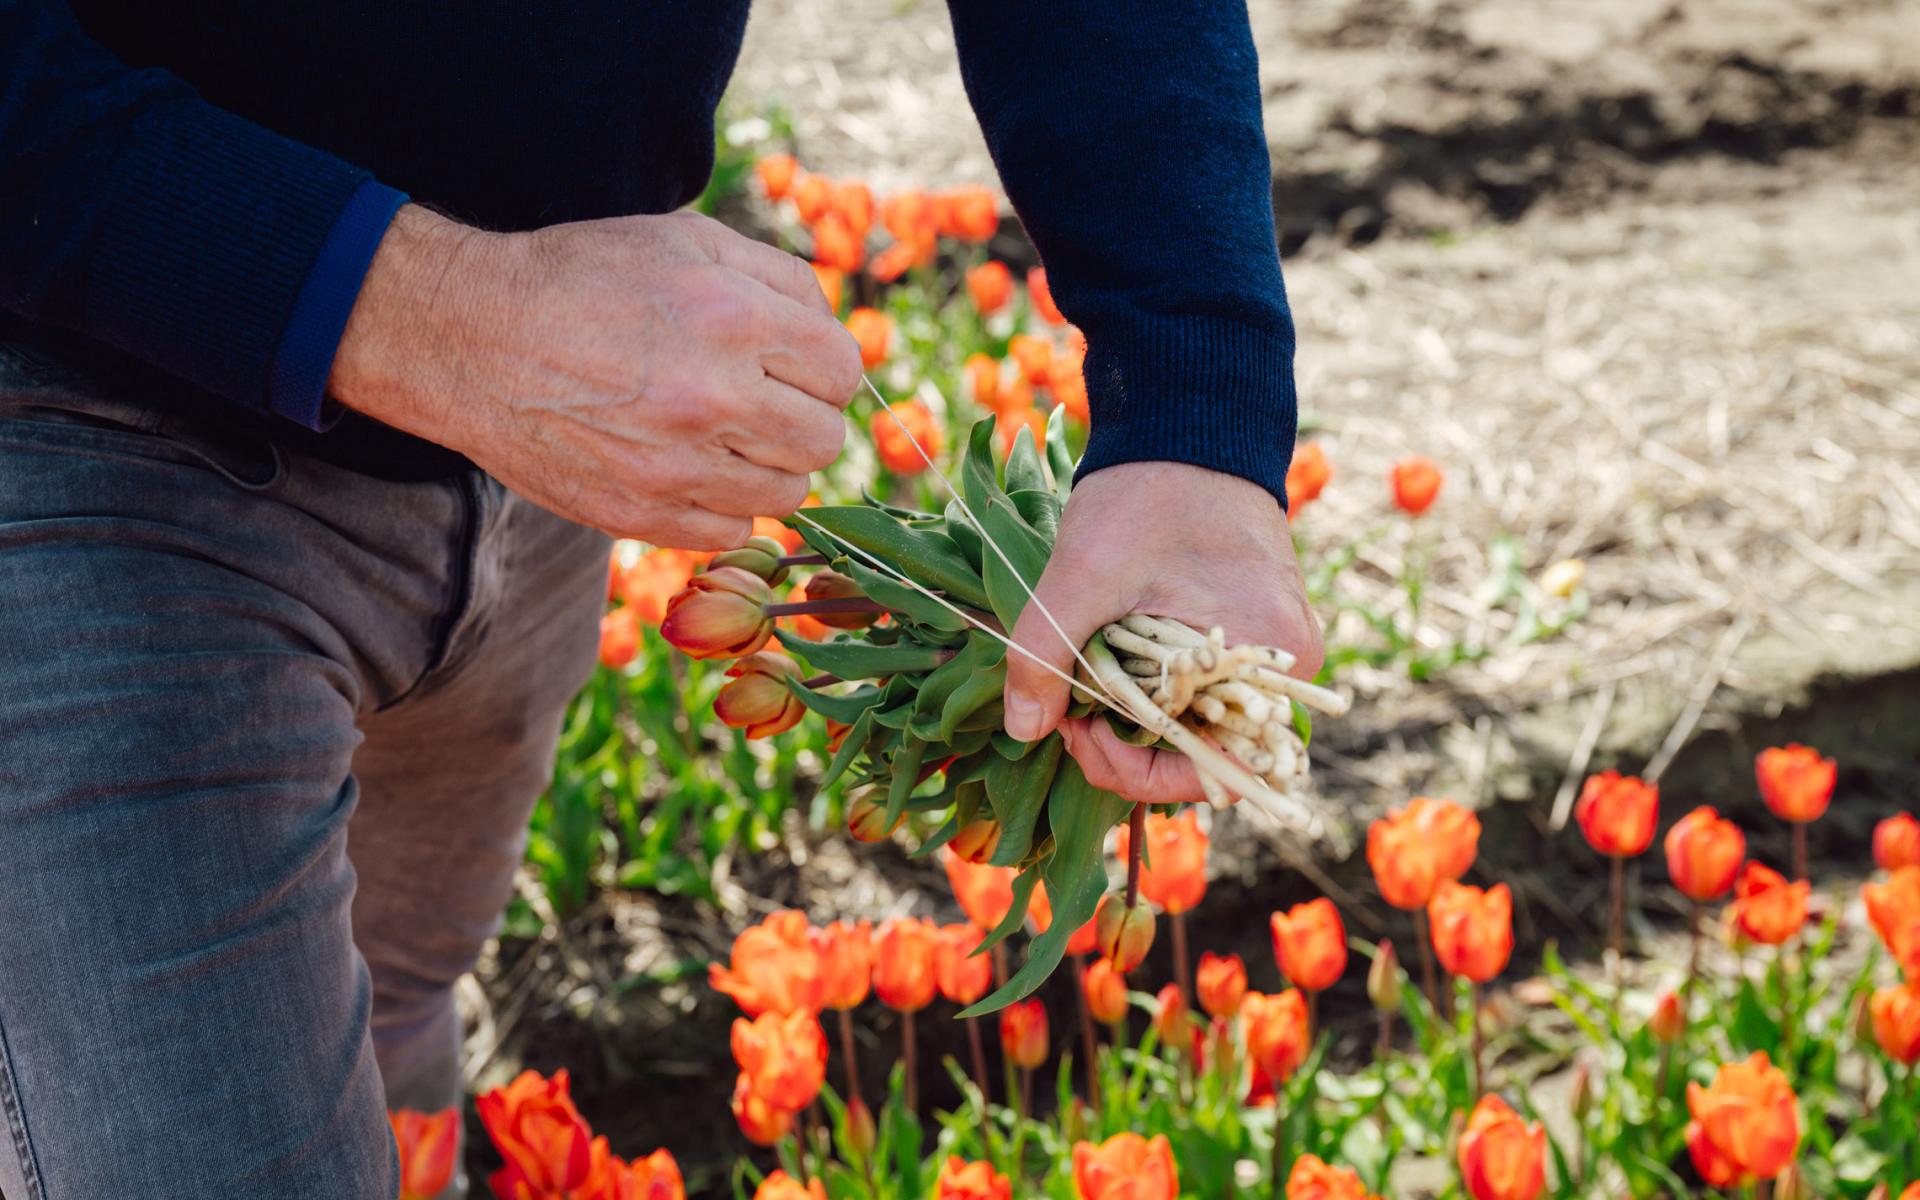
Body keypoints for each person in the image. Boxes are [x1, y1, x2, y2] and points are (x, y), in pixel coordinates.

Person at [0, 1, 1324, 1193]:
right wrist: (418, 309)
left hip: (563, 426)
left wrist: (1194, 411)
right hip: (83, 407)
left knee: (395, 1003)